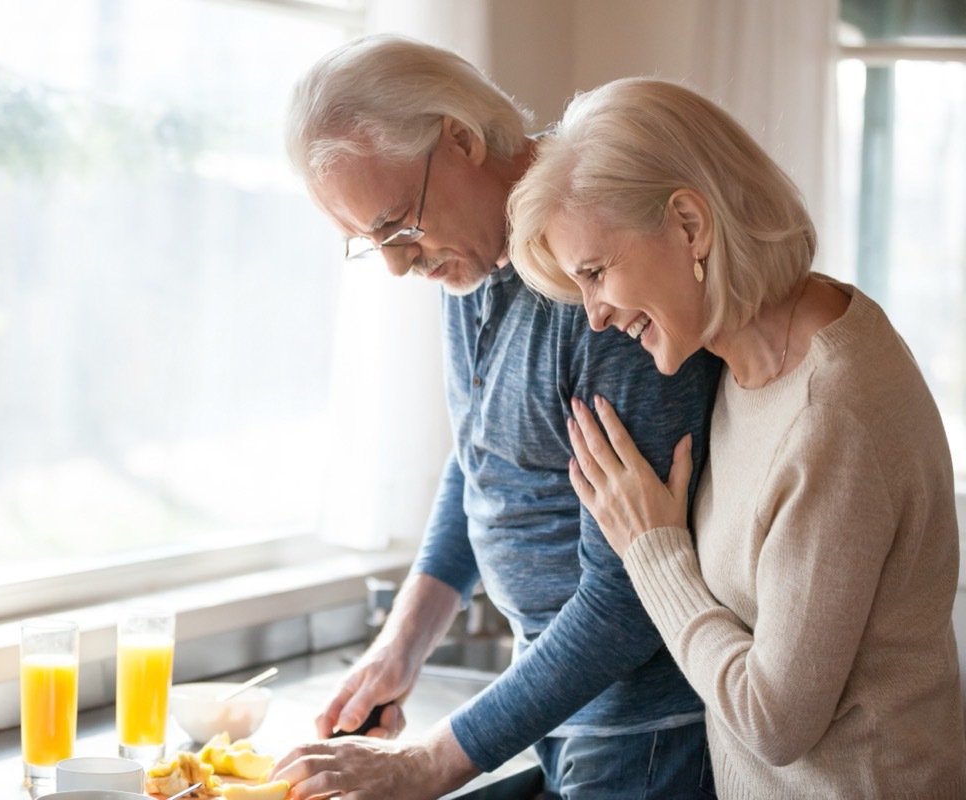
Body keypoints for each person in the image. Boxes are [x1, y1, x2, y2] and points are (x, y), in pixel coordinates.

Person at [273, 35, 723, 800]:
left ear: (460, 139)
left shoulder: (605, 284)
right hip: (557, 710)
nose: (395, 265)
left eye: (398, 226)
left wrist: (427, 764)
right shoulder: (477, 258)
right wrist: (401, 645)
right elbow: (484, 457)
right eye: (368, 243)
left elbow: (631, 597)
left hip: (642, 736)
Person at [506, 75, 966, 799]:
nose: (592, 316)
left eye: (595, 273)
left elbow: (774, 719)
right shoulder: (740, 360)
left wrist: (652, 552)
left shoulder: (834, 414)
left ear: (690, 225)